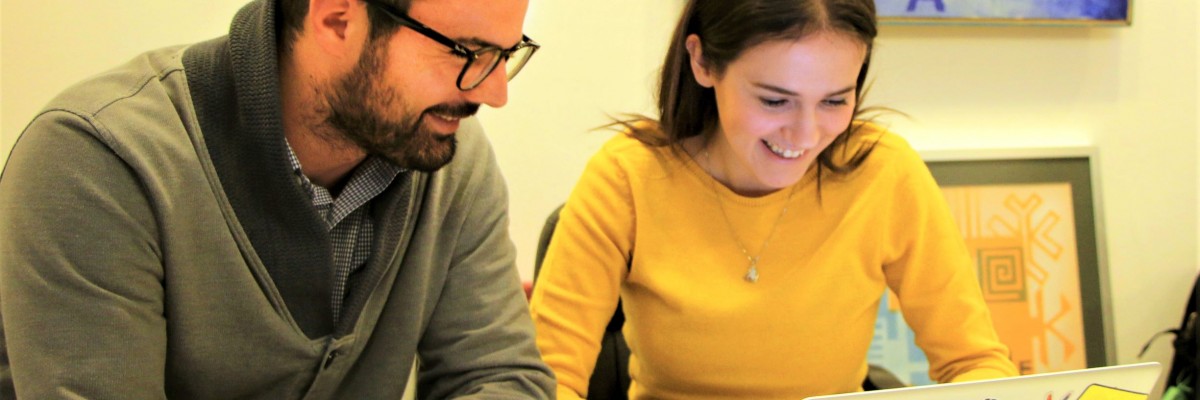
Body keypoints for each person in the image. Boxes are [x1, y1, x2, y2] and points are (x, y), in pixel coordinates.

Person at [0, 0, 555, 398]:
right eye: (469, 51)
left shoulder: (448, 158)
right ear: (337, 18)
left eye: (508, 52)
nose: (495, 92)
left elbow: (503, 379)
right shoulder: (99, 161)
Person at [528, 0, 1019, 398]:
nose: (806, 135)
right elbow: (549, 377)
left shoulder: (883, 172)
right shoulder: (627, 176)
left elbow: (975, 363)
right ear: (702, 61)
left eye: (834, 100)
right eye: (774, 100)